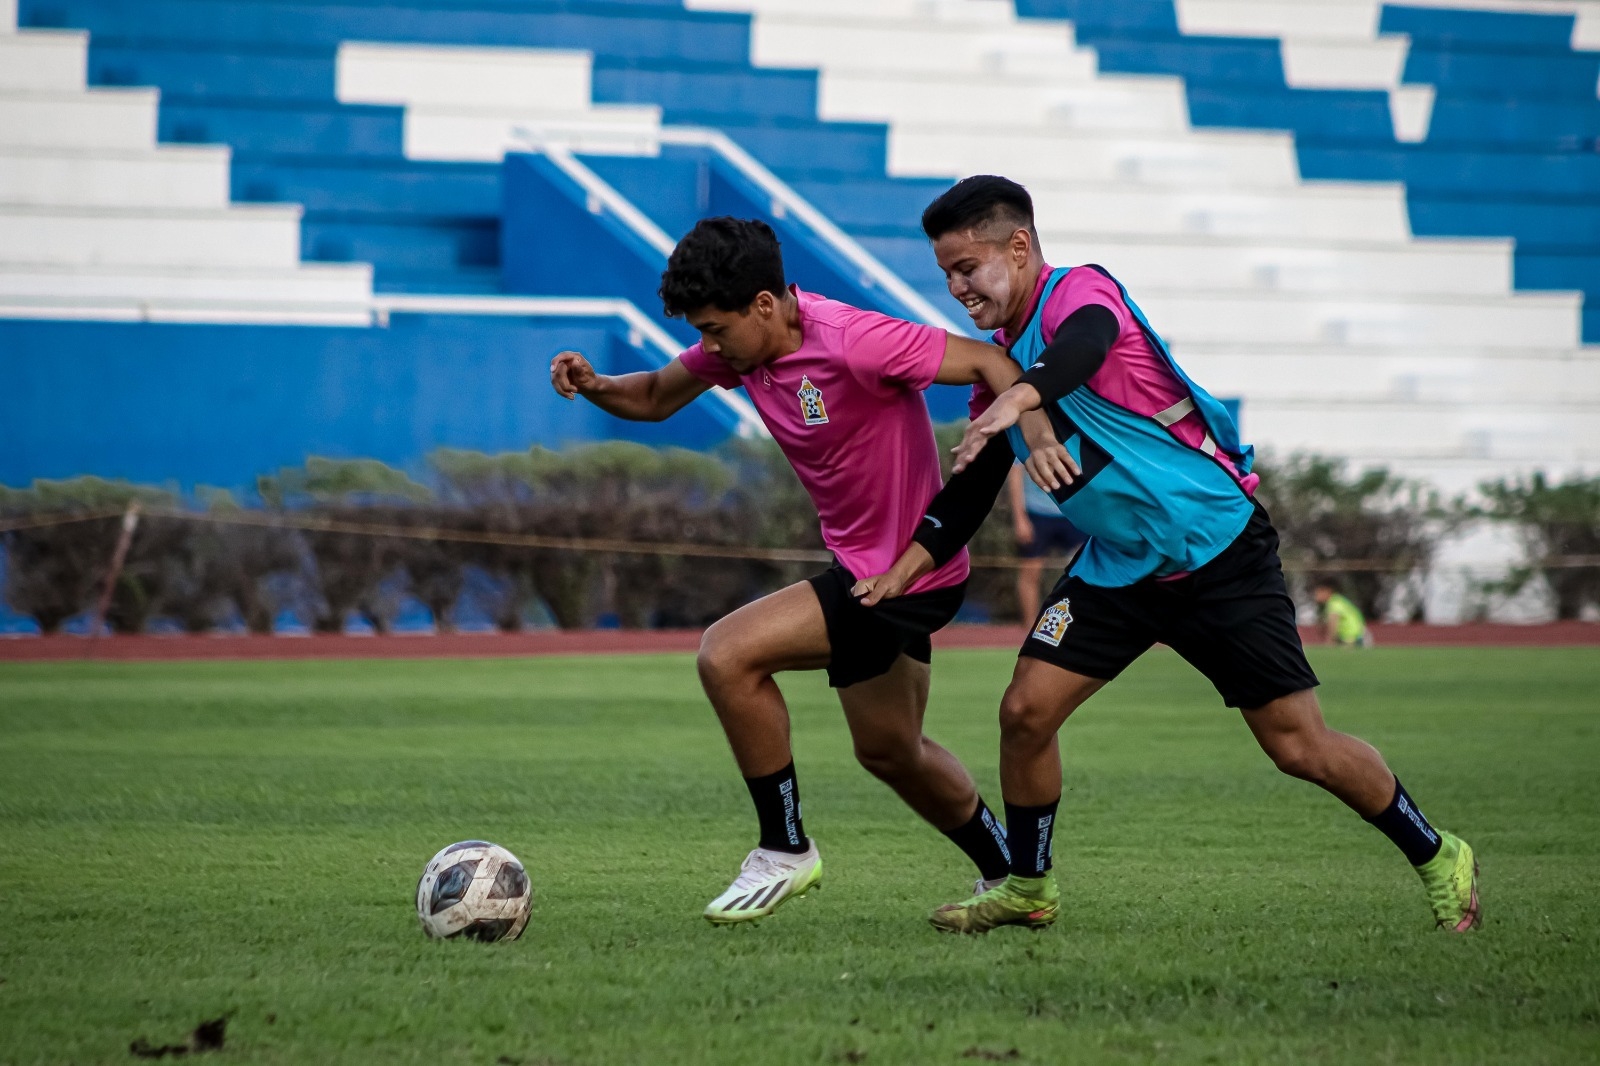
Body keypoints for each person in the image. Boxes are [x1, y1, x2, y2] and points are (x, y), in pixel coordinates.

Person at [852, 176, 1479, 935]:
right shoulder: (999, 372)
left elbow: (1084, 349)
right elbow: (968, 495)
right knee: (1024, 713)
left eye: (966, 268)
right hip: (1120, 566)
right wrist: (902, 570)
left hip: (1217, 547)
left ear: (1018, 249)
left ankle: (1440, 853)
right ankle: (1028, 887)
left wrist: (1023, 399)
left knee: (1298, 746)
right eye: (946, 274)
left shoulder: (1079, 292)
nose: (956, 288)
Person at [550, 216, 1057, 924]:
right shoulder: (741, 351)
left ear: (764, 305)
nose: (708, 345)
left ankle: (784, 848)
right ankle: (1015, 881)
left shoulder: (857, 341)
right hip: (865, 572)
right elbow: (656, 397)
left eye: (715, 328)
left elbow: (989, 362)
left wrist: (1025, 429)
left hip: (904, 575)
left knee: (726, 655)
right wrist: (596, 383)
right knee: (891, 751)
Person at [1008, 464, 1086, 623]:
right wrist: (1019, 518)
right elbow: (1015, 473)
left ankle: (1080, 625)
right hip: (1036, 513)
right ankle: (1029, 629)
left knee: (1085, 571)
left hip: (1073, 512)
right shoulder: (1025, 438)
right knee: (1031, 573)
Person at [1315, 581, 1372, 647]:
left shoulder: (1334, 604)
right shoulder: (1338, 600)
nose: (1316, 596)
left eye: (1318, 592)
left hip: (1353, 637)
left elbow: (1333, 624)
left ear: (1327, 591)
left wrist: (1330, 642)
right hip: (1359, 634)